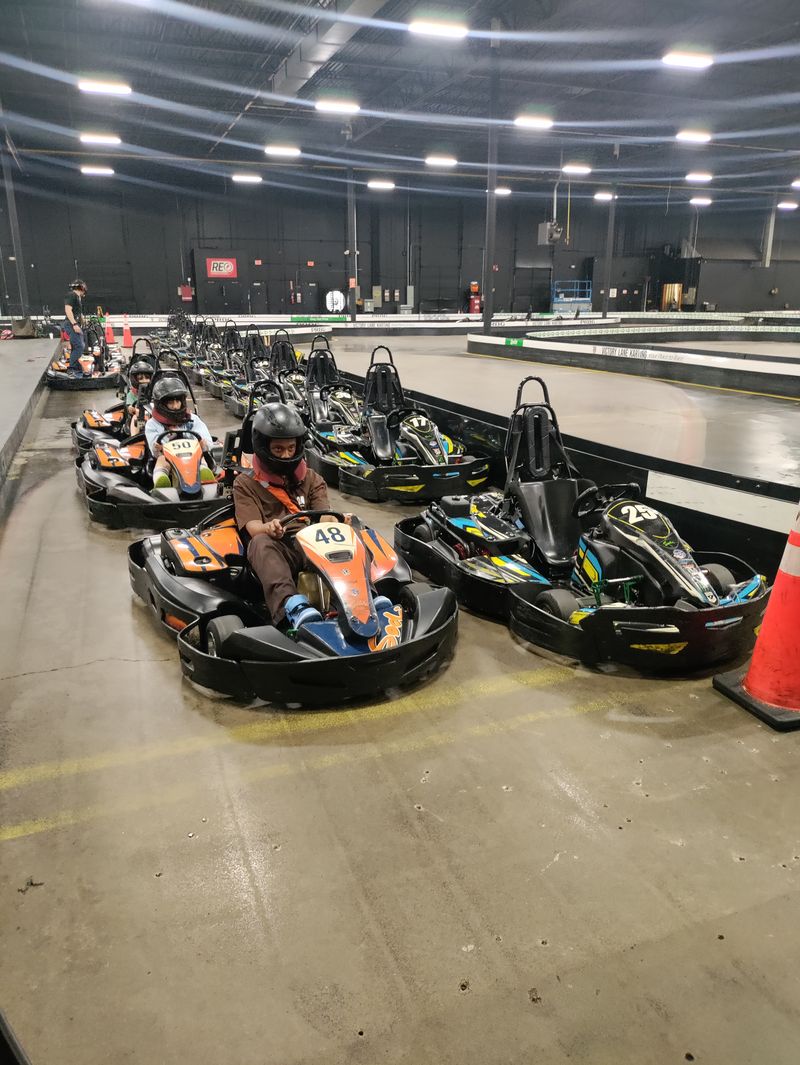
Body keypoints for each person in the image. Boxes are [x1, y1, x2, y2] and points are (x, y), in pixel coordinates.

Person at [232, 402, 377, 632]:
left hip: (313, 545)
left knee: (352, 532)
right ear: (262, 446)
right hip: (280, 548)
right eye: (278, 449)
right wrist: (269, 528)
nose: (286, 454)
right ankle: (292, 606)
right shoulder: (245, 483)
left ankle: (366, 597)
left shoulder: (311, 478)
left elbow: (324, 517)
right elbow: (253, 528)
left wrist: (339, 522)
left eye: (290, 448)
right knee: (260, 544)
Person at [144, 376, 215, 490]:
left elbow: (208, 441)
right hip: (169, 460)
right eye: (171, 403)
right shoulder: (152, 424)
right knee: (163, 460)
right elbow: (154, 450)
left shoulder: (192, 420)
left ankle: (203, 473)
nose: (176, 406)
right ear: (161, 404)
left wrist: (203, 445)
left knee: (200, 458)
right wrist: (158, 447)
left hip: (193, 458)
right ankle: (161, 481)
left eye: (178, 401)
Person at [62, 279, 87, 377]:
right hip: (71, 324)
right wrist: (74, 324)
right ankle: (72, 369)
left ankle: (77, 368)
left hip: (75, 324)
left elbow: (78, 312)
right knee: (79, 346)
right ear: (81, 287)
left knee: (78, 346)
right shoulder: (71, 295)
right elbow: (68, 310)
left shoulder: (78, 297)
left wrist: (83, 321)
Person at [125, 360, 153, 433]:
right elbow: (129, 407)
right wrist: (131, 408)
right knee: (136, 417)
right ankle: (135, 439)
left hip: (153, 417)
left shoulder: (154, 392)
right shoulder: (132, 394)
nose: (144, 380)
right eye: (141, 378)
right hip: (138, 418)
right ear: (134, 380)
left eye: (147, 377)